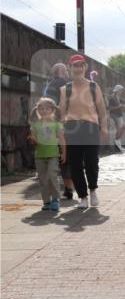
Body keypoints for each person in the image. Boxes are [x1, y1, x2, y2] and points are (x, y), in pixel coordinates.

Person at [59, 54, 108, 208]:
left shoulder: (94, 87)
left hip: (90, 127)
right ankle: (83, 196)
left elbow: (102, 110)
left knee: (92, 162)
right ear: (70, 68)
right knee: (74, 165)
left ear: (85, 67)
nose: (78, 68)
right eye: (75, 65)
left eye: (81, 65)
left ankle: (93, 190)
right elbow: (61, 113)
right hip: (72, 128)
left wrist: (104, 127)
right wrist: (60, 132)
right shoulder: (65, 89)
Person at [27, 97, 66, 211]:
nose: (44, 111)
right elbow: (32, 140)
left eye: (47, 109)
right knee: (43, 179)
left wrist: (64, 153)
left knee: (52, 176)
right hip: (39, 155)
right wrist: (32, 139)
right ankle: (46, 201)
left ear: (52, 110)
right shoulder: (35, 125)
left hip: (53, 154)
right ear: (38, 110)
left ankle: (55, 199)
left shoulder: (56, 124)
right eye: (42, 109)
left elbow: (62, 139)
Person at [43, 63, 75, 199]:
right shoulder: (69, 83)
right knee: (69, 157)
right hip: (72, 124)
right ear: (61, 71)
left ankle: (68, 189)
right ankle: (70, 188)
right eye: (65, 69)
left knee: (62, 157)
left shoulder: (51, 85)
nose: (68, 71)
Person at [107, 84, 125, 151]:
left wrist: (122, 106)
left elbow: (119, 105)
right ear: (117, 90)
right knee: (120, 128)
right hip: (115, 115)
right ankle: (117, 143)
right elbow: (110, 108)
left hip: (119, 115)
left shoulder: (117, 97)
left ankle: (117, 142)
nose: (121, 91)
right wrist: (120, 106)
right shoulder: (112, 97)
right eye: (120, 90)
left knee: (124, 128)